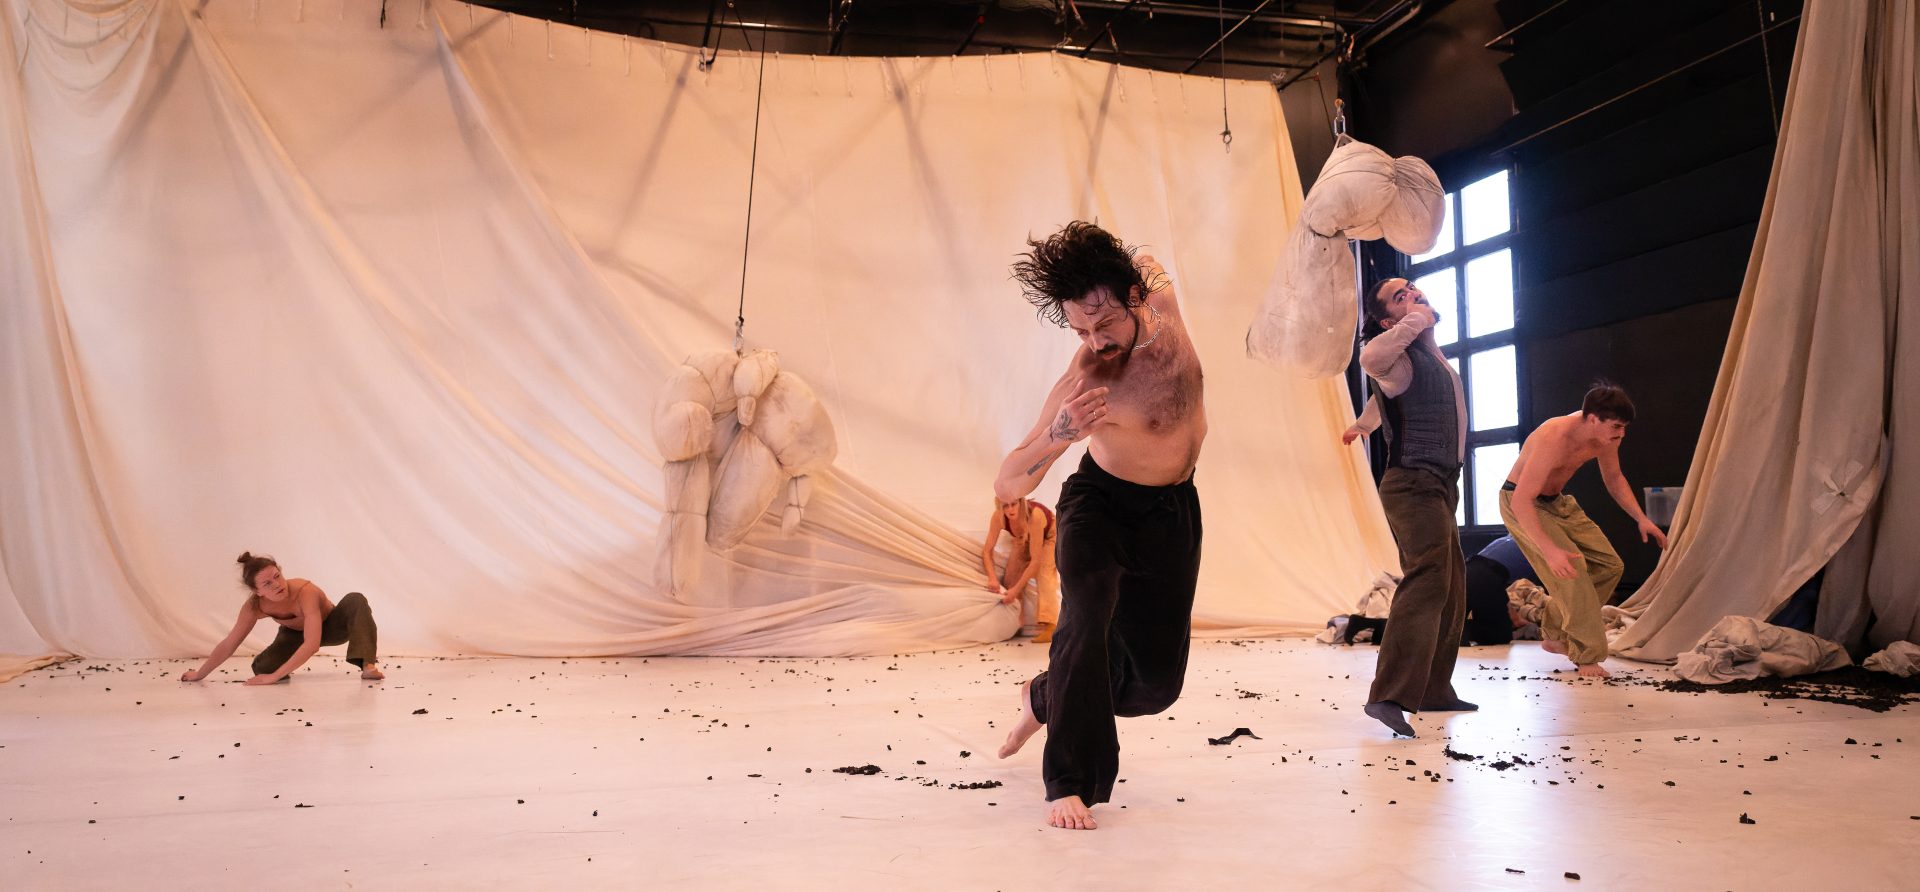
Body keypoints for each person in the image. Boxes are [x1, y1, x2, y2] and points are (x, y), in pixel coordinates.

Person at [992, 221, 1206, 831]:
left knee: (1154, 687)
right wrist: (1060, 435)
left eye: (1104, 323)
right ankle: (1068, 781)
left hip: (1172, 510)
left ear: (1135, 297)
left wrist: (1133, 259)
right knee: (1085, 618)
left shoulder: (1161, 298)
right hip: (1100, 507)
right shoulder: (1087, 379)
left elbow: (1148, 256)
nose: (1094, 340)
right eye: (1080, 330)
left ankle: (1045, 695)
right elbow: (1009, 483)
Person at [1347, 277, 1474, 738]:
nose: (1414, 295)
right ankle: (1388, 694)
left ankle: (1434, 689)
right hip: (1413, 485)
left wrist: (1363, 424)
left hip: (1441, 485)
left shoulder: (1427, 357)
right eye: (1400, 297)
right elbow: (1371, 361)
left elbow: (1382, 399)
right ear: (1387, 322)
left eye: (1413, 289)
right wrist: (1417, 320)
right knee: (1428, 577)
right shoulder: (1397, 355)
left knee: (1452, 585)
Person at [1500, 383, 1667, 677]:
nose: (1621, 434)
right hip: (1521, 502)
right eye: (1616, 426)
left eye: (1624, 427)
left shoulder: (1606, 437)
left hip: (1557, 502)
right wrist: (1550, 551)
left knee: (1610, 565)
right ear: (1592, 419)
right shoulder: (1554, 436)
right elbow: (1522, 500)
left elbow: (1614, 478)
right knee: (1572, 571)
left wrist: (1641, 518)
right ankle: (1587, 656)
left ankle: (1554, 632)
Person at [180, 552, 384, 684]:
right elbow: (230, 643)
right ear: (257, 591)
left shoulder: (305, 591)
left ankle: (368, 665)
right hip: (294, 636)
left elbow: (312, 644)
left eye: (277, 576)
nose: (277, 584)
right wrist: (199, 674)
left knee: (355, 599)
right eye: (267, 584)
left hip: (332, 627)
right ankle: (279, 670)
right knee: (262, 668)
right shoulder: (254, 607)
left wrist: (274, 677)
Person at [981, 497, 1060, 642]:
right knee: (1011, 576)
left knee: (1044, 573)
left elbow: (1035, 561)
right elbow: (987, 551)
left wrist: (1016, 590)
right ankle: (1017, 621)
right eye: (1005, 506)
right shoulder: (998, 517)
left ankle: (1050, 626)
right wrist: (992, 578)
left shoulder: (1035, 515)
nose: (1010, 510)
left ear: (1021, 503)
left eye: (1014, 504)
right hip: (1023, 536)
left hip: (1049, 535)